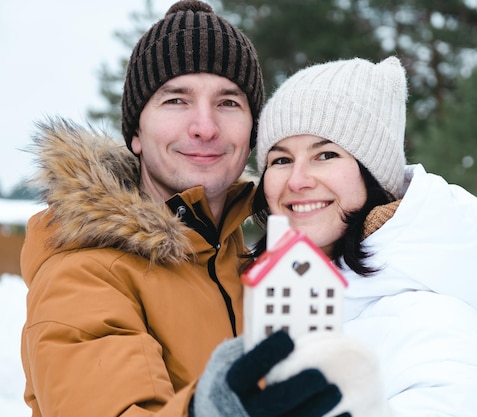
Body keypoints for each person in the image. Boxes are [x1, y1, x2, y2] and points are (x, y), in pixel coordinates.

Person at [20, 1, 363, 416]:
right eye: (176, 101)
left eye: (229, 102)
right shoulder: (82, 275)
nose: (205, 126)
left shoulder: (254, 261)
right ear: (136, 135)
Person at [250, 56, 477, 416]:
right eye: (281, 160)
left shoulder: (435, 324)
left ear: (373, 175)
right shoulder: (271, 295)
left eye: (326, 154)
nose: (298, 180)